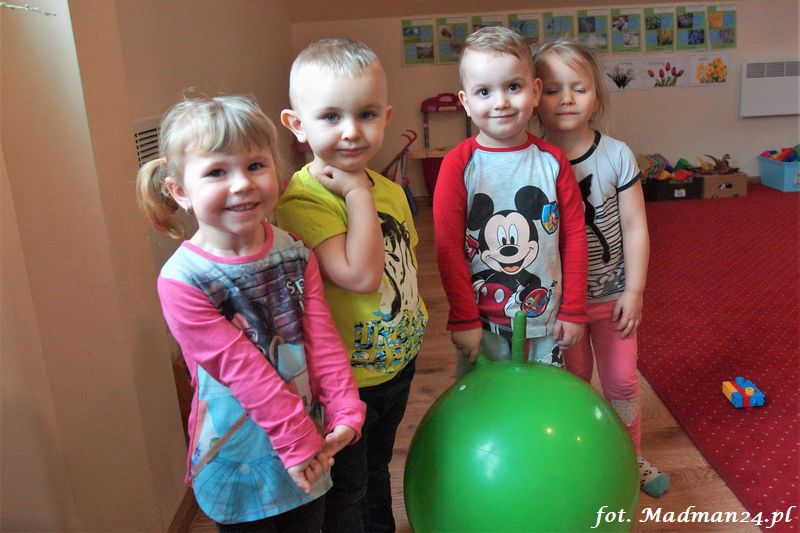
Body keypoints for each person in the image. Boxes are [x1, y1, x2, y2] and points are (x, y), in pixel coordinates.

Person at [135, 95, 366, 531]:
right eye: (217, 172)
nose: (242, 184)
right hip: (241, 457)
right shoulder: (182, 280)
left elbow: (322, 341)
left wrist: (344, 407)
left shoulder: (295, 251)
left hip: (309, 447)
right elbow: (244, 371)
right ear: (180, 191)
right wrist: (299, 443)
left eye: (255, 165)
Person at [277, 39, 428, 533]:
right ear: (297, 125)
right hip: (345, 384)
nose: (351, 131)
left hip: (395, 364)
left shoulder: (390, 191)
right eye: (330, 116)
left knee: (377, 469)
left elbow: (403, 263)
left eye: (366, 114)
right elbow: (360, 276)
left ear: (386, 117)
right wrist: (357, 191)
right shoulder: (305, 199)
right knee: (349, 489)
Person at [533, 38, 669, 498]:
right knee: (573, 386)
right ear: (536, 96)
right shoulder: (532, 159)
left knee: (623, 383)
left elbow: (634, 227)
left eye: (578, 87)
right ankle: (584, 458)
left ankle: (628, 457)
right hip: (561, 308)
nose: (566, 99)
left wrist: (635, 291)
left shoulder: (616, 154)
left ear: (596, 95)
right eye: (554, 89)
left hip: (612, 300)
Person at [433, 26, 588, 379]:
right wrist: (463, 318)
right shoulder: (458, 165)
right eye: (484, 91)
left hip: (547, 322)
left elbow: (575, 239)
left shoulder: (553, 162)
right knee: (483, 402)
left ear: (535, 91)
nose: (500, 101)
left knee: (543, 401)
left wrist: (573, 309)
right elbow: (447, 248)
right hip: (483, 327)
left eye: (513, 87)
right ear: (466, 102)